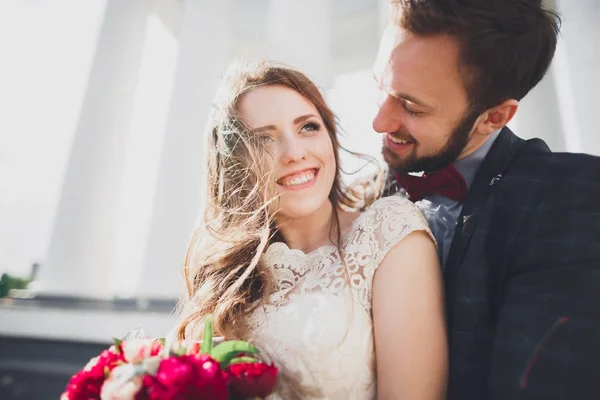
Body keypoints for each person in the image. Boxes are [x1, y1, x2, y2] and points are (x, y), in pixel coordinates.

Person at [173, 61, 447, 399]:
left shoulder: (388, 232)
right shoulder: (224, 277)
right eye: (264, 139)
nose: (294, 153)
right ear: (235, 164)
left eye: (307, 127)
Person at [373, 1, 600, 399]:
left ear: (494, 117)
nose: (379, 121)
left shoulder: (572, 197)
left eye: (411, 106)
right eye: (381, 88)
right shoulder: (359, 197)